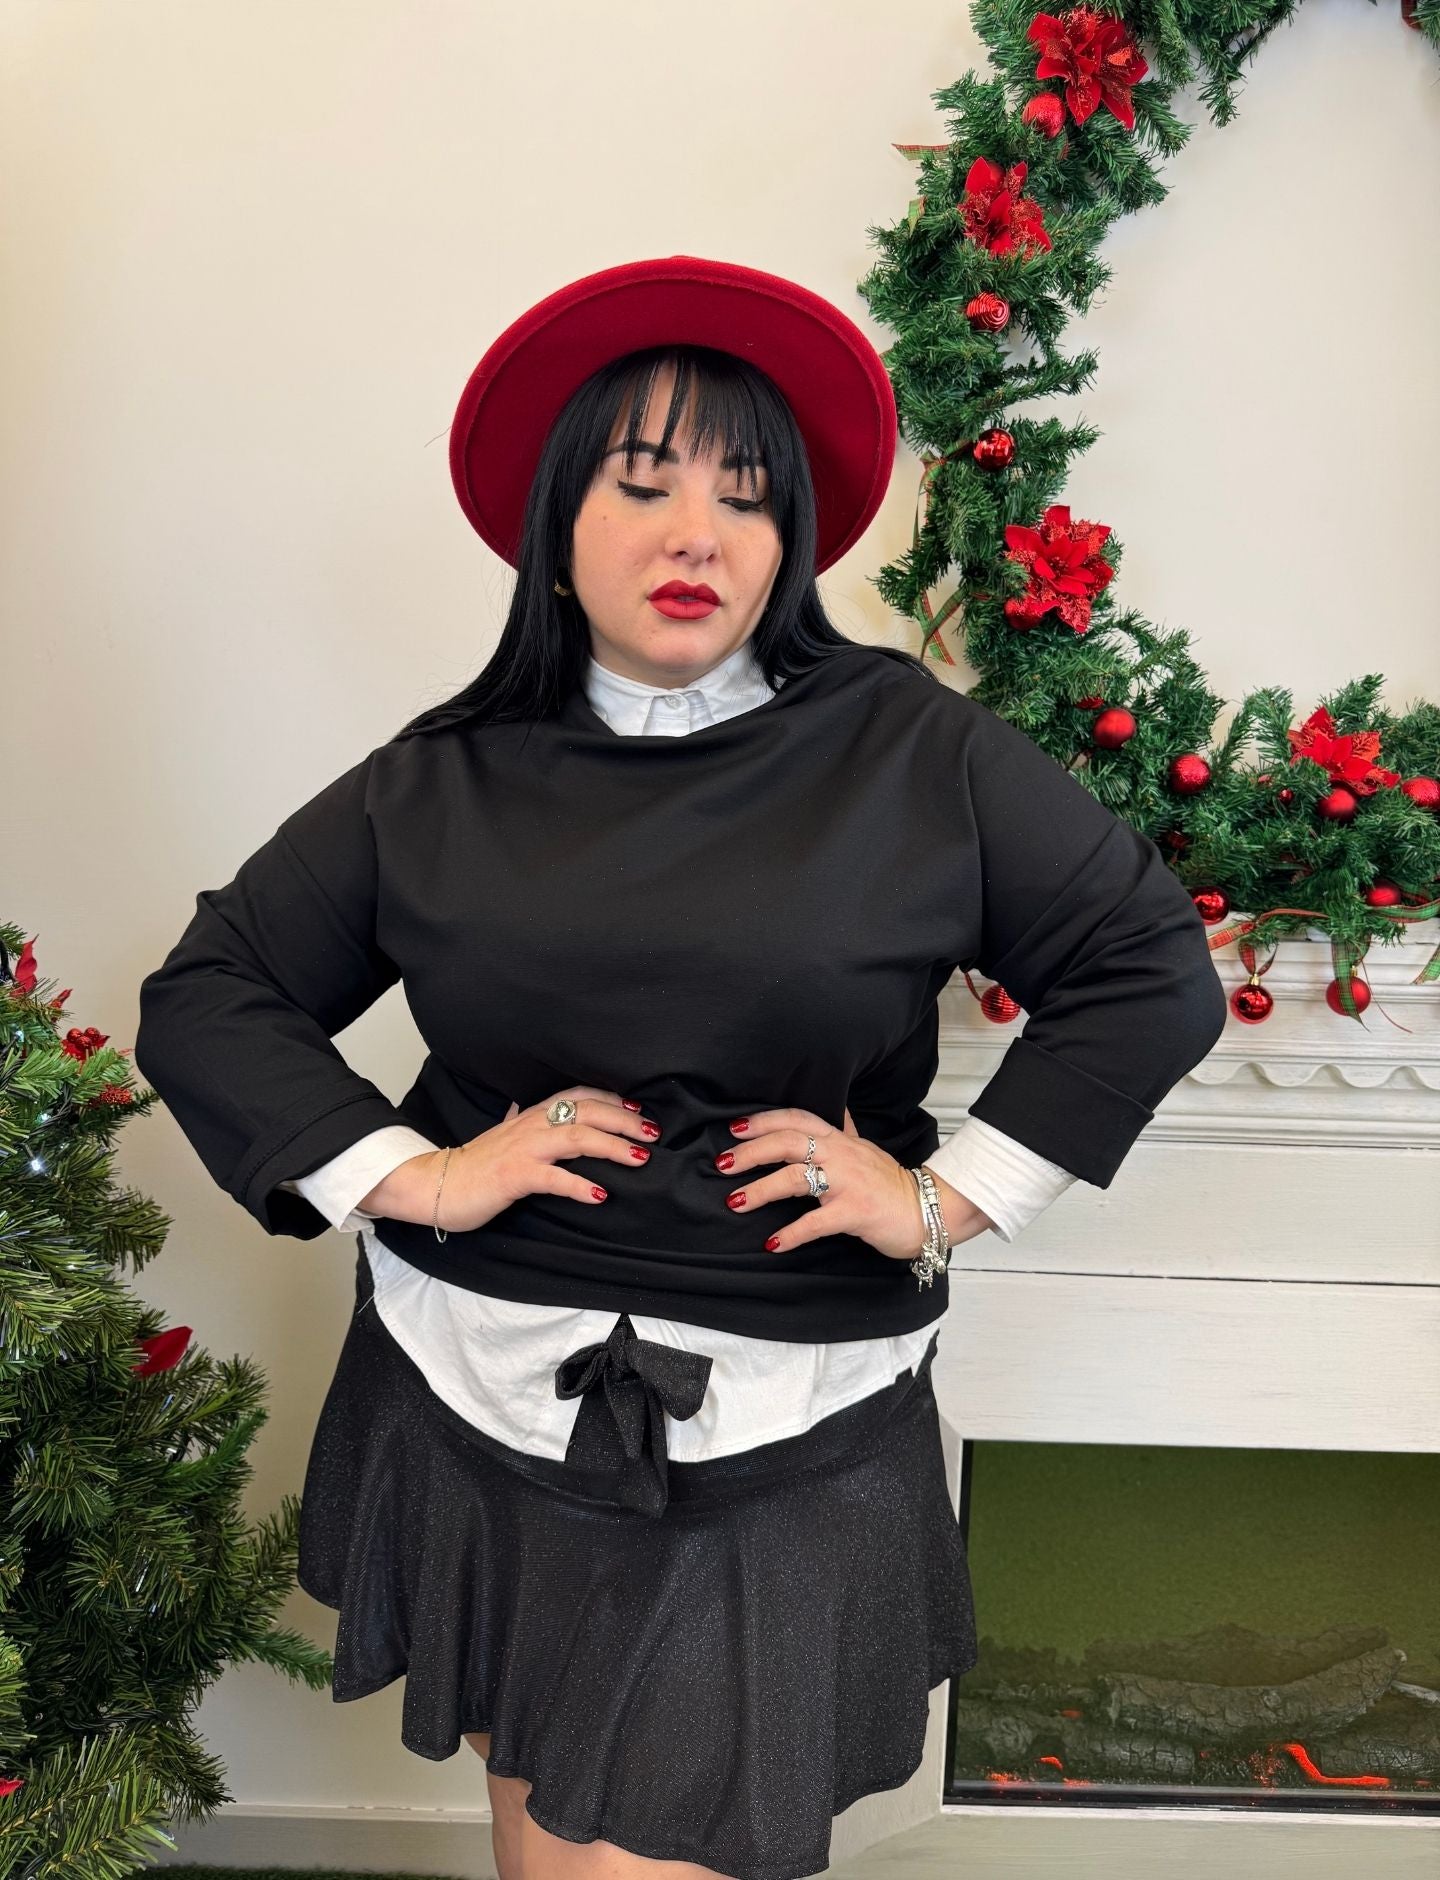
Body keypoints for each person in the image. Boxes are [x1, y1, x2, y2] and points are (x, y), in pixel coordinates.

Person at [133, 254, 1229, 1880]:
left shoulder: (915, 750)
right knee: (544, 1825)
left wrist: (946, 1201)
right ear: (557, 527)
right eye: (642, 486)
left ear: (790, 538)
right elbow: (213, 993)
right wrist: (417, 1178)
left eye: (746, 495)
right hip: (477, 1376)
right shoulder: (441, 777)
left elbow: (1144, 967)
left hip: (787, 1408)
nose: (697, 534)